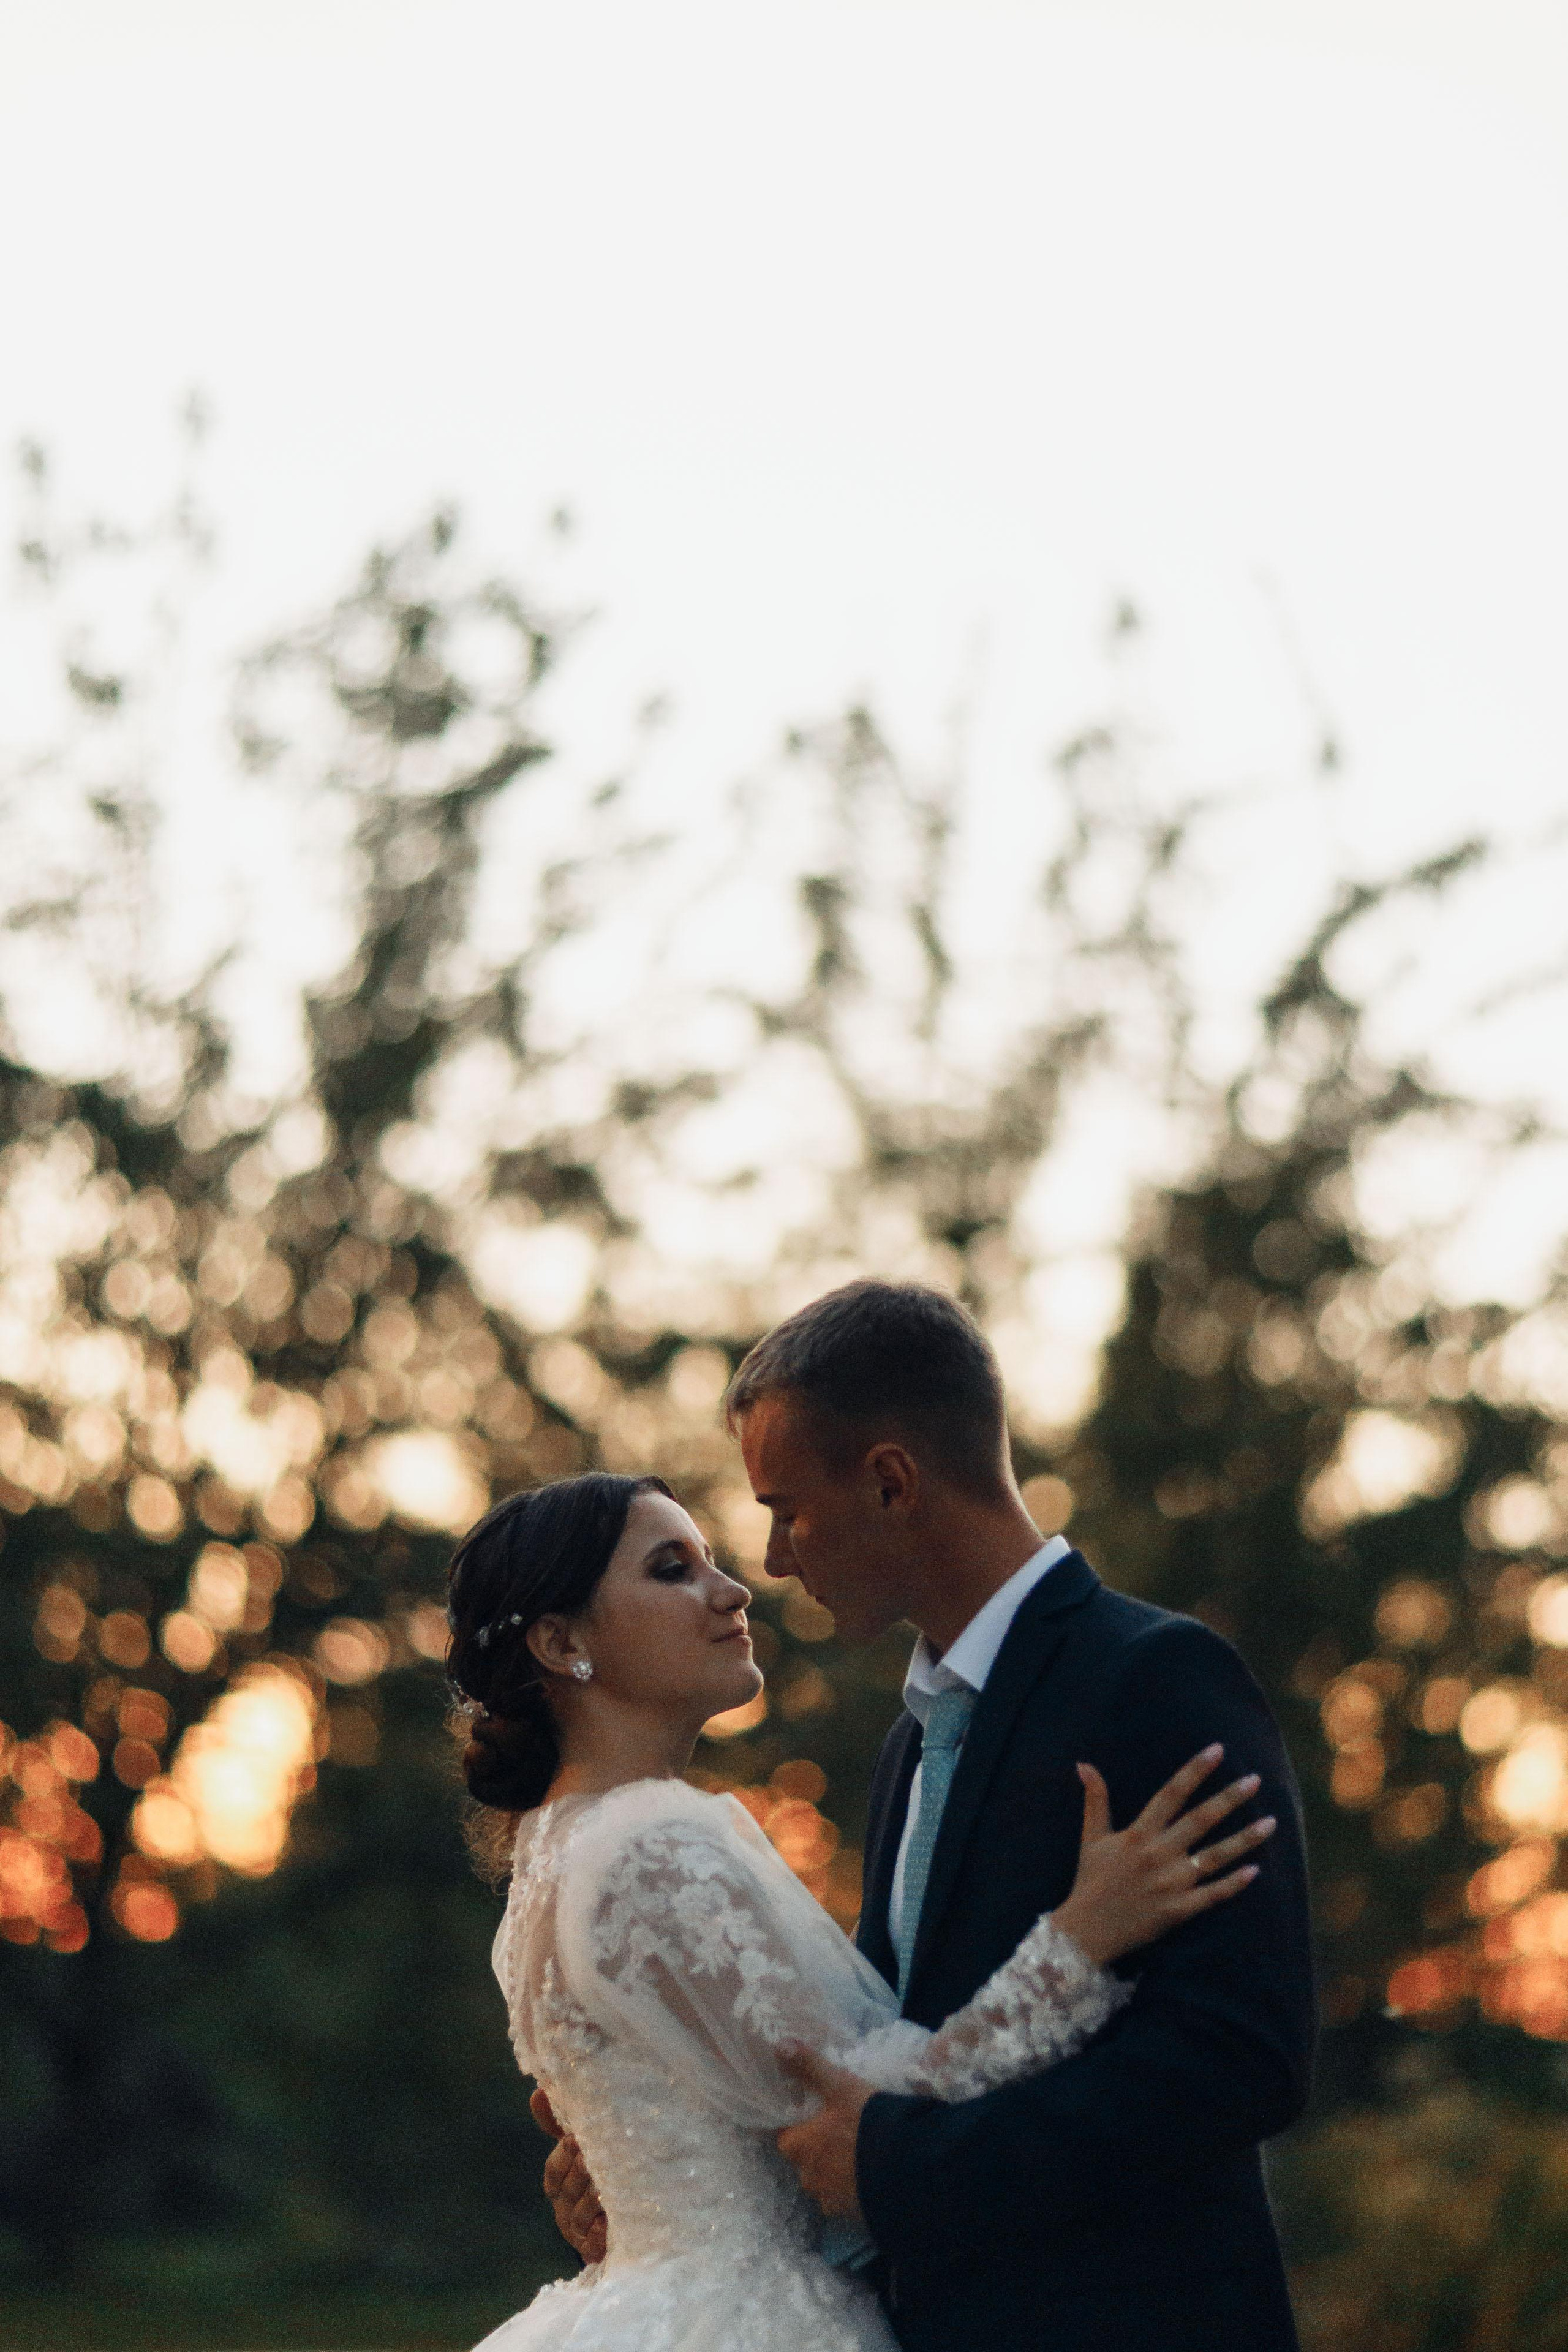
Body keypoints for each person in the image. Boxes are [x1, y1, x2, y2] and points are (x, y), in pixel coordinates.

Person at [536, 1281, 1316, 2351]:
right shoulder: (912, 1743)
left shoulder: (1156, 1680)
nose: (772, 1561)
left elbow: (1240, 2058)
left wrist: (901, 2168)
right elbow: (866, 2057)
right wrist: (642, 2179)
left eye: (785, 1510)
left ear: (893, 1483)